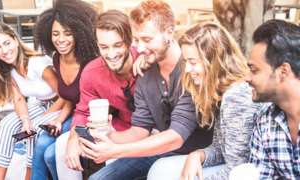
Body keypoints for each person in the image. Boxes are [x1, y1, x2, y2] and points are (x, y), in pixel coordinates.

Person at [79, 1, 213, 179]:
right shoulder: (144, 72)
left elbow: (176, 136)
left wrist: (116, 151)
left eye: (147, 40)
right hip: (161, 150)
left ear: (169, 33)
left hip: (197, 155)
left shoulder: (190, 69)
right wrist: (109, 134)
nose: (140, 48)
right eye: (136, 40)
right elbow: (140, 130)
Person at [146, 22, 263, 180]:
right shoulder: (221, 93)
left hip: (251, 173)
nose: (187, 69)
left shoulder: (236, 97)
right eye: (186, 62)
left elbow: (237, 170)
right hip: (233, 168)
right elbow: (222, 149)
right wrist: (198, 155)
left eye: (193, 62)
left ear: (215, 62)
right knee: (160, 168)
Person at [55, 9, 139, 179]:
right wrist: (73, 138)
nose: (111, 54)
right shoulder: (92, 72)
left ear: (129, 42)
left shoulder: (146, 61)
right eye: (104, 47)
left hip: (147, 132)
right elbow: (83, 111)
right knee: (61, 144)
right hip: (116, 127)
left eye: (118, 45)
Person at [0, 22, 63, 180]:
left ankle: (29, 177)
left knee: (33, 131)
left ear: (15, 40)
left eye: (7, 43)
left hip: (61, 103)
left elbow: (65, 94)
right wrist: (25, 121)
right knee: (7, 124)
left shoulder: (37, 63)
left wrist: (43, 117)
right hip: (41, 103)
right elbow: (18, 99)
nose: (4, 51)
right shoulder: (8, 69)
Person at [31, 0, 99, 179]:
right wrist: (59, 120)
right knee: (41, 142)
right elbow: (70, 96)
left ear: (79, 33)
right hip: (72, 114)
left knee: (51, 154)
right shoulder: (56, 58)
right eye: (55, 33)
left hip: (91, 118)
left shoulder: (90, 62)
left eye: (67, 33)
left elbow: (85, 103)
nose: (60, 39)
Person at [247, 19, 300, 179]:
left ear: (283, 72)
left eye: (254, 70)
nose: (246, 78)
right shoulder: (264, 121)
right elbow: (261, 176)